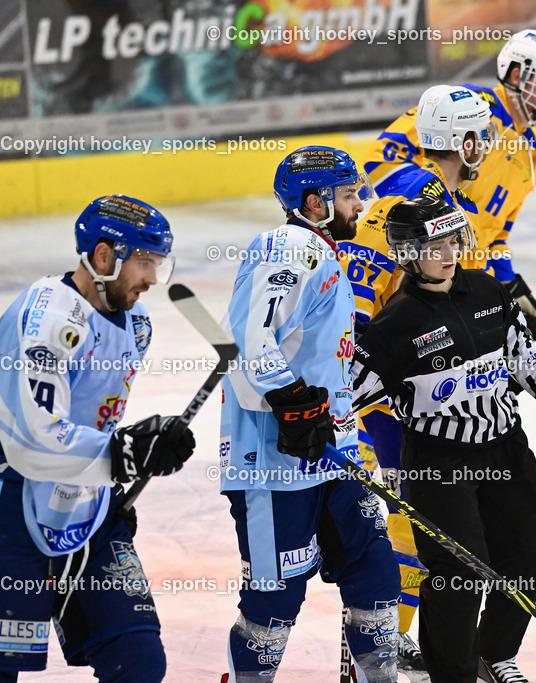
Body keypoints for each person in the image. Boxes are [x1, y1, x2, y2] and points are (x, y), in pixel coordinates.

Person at [0, 195, 196, 681]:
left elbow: (93, 416)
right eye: (143, 262)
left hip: (86, 509)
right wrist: (122, 453)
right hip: (10, 504)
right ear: (103, 256)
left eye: (157, 264)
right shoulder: (46, 322)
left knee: (139, 661)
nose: (151, 278)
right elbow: (35, 439)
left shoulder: (135, 322)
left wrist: (123, 461)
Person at [352, 194, 536, 683]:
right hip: (440, 461)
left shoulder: (485, 291)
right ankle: (452, 675)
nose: (449, 251)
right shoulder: (394, 325)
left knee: (528, 559)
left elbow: (519, 353)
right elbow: (350, 390)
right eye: (435, 243)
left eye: (452, 239)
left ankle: (493, 652)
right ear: (409, 252)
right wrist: (304, 422)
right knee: (458, 574)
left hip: (506, 448)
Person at [219, 146, 400, 682]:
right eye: (349, 196)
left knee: (374, 575)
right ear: (316, 202)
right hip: (272, 460)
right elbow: (255, 339)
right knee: (273, 605)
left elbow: (309, 341)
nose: (359, 205)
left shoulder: (319, 251)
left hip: (334, 450)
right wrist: (295, 401)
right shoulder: (288, 246)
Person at [340, 83, 495, 674]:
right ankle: (369, 649)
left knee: (414, 519)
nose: (489, 143)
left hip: (405, 379)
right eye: (481, 132)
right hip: (388, 384)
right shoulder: (419, 193)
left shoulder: (428, 188)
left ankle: (384, 642)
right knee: (407, 521)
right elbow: (368, 281)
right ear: (463, 140)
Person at [365, 28, 536, 309]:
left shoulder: (532, 158)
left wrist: (508, 285)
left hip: (460, 279)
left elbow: (495, 237)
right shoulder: (466, 109)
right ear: (517, 76)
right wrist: (430, 199)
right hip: (413, 274)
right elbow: (379, 159)